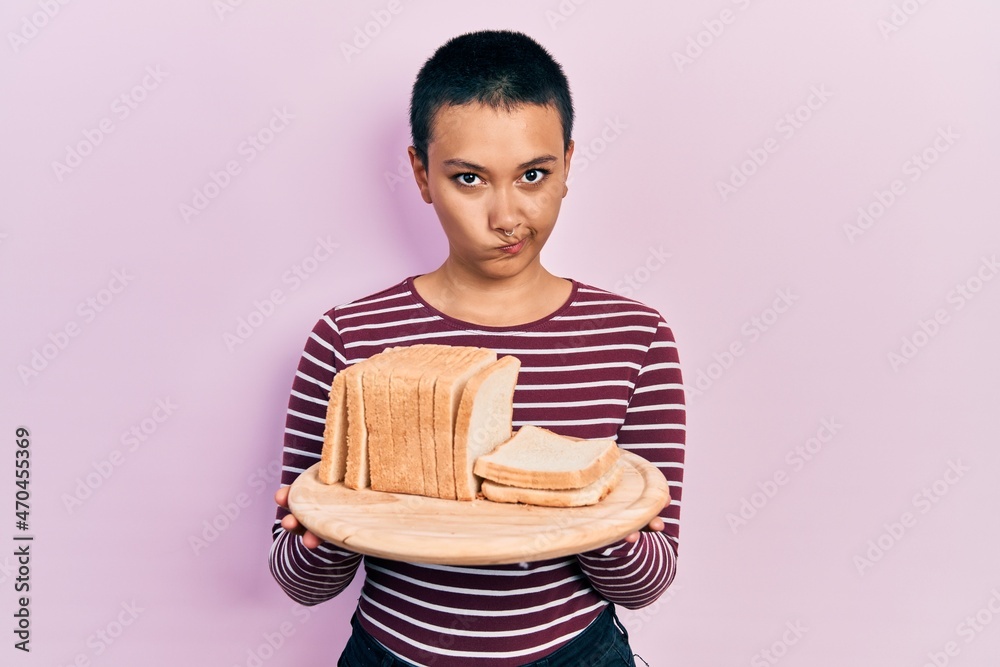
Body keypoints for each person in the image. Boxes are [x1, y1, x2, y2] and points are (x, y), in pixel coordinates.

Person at [270, 29, 685, 666]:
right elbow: (301, 584)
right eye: (469, 178)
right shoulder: (349, 338)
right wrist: (331, 522)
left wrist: (586, 504)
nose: (506, 216)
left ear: (568, 166)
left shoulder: (635, 336)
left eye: (534, 175)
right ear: (421, 174)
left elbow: (650, 583)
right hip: (391, 655)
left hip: (578, 654)